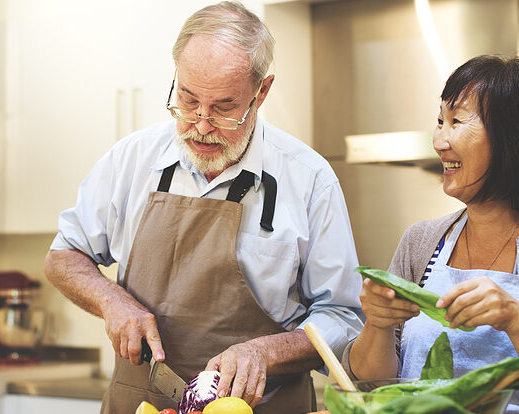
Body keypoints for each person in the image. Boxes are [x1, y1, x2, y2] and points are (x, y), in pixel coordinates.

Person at [44, 2, 364, 413]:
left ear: (261, 92)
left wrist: (265, 353)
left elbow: (344, 317)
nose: (201, 124)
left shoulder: (309, 180)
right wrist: (112, 301)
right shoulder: (132, 160)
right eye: (188, 99)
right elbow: (63, 256)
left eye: (224, 107)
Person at [343, 55, 519, 414]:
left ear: (515, 138)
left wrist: (517, 319)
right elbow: (378, 385)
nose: (439, 140)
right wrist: (379, 325)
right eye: (440, 121)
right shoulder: (420, 242)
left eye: (456, 121)